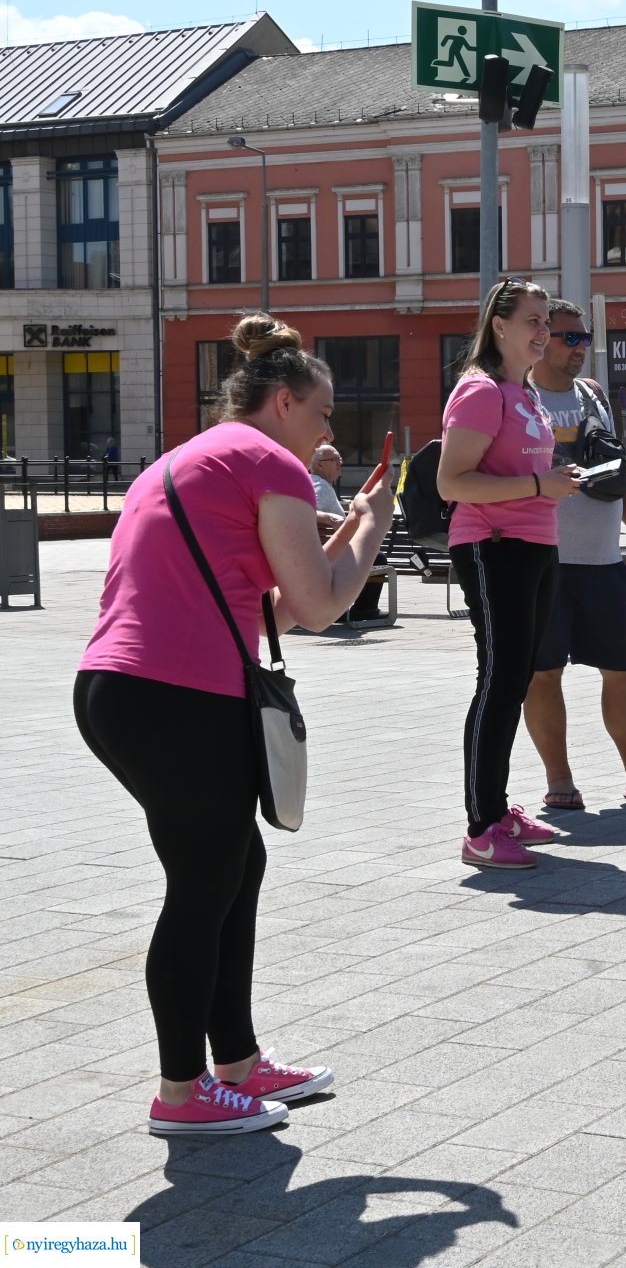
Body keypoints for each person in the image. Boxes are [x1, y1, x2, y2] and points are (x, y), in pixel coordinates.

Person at [74, 313, 390, 1135]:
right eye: (321, 413)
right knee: (204, 882)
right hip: (176, 695)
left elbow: (270, 608)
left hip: (123, 689)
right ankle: (181, 1095)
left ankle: (238, 1066)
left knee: (234, 865)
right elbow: (319, 606)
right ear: (284, 402)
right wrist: (374, 524)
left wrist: (347, 530)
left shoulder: (188, 459)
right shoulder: (267, 460)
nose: (327, 432)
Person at [522, 298, 626, 811]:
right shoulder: (518, 398)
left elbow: (616, 470)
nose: (580, 347)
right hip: (541, 562)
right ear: (540, 339)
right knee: (543, 673)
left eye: (585, 337)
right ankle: (560, 779)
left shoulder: (593, 396)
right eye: (569, 337)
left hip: (602, 560)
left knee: (622, 669)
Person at [437, 277, 583, 871]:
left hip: (535, 545)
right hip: (493, 546)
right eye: (533, 321)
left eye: (547, 321)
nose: (544, 332)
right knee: (499, 681)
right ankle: (481, 829)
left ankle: (496, 812)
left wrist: (556, 482)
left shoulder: (522, 392)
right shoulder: (480, 391)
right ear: (499, 325)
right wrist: (539, 484)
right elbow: (452, 482)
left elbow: (523, 474)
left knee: (515, 680)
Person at [310, 445, 387, 625]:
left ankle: (341, 609)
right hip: (330, 555)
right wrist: (329, 518)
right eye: (334, 460)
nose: (340, 464)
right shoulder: (320, 486)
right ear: (320, 464)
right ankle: (365, 609)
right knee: (377, 558)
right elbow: (307, 511)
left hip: (321, 553)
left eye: (340, 459)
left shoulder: (315, 482)